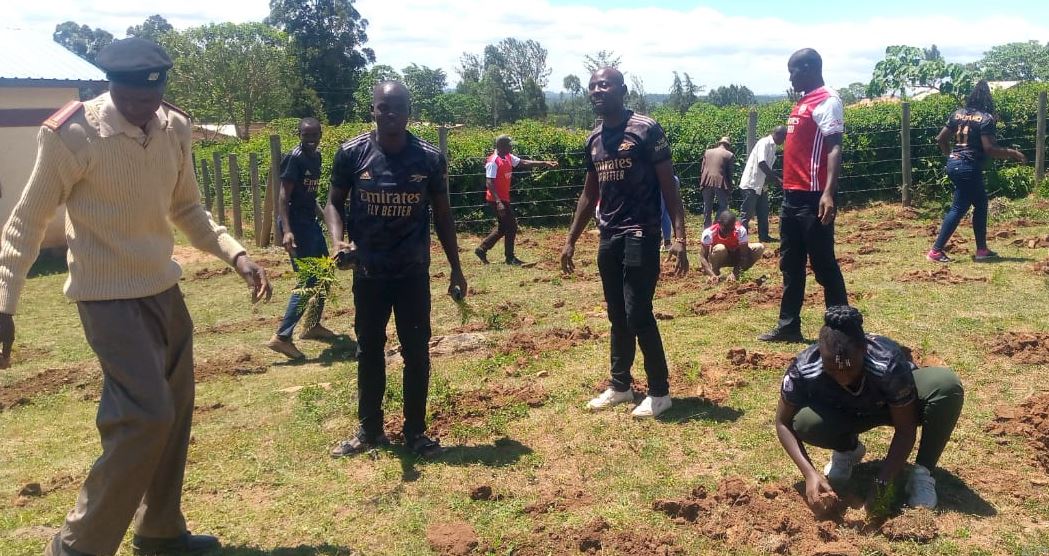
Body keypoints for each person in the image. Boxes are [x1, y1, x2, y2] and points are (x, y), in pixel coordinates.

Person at [0, 38, 271, 556]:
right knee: (146, 417)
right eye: (130, 99)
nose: (142, 108)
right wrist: (4, 302)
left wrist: (236, 255)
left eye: (151, 98)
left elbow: (187, 209)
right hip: (107, 300)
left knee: (176, 412)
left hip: (164, 291)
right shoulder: (72, 135)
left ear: (163, 87)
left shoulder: (175, 127)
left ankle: (161, 530)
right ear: (110, 86)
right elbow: (27, 222)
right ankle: (76, 547)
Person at [325, 81, 467, 458]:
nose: (390, 114)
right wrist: (339, 242)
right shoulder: (351, 154)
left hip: (411, 273)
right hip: (369, 274)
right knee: (369, 350)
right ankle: (369, 430)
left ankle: (416, 432)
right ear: (372, 110)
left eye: (398, 107)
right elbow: (334, 203)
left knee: (416, 352)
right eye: (383, 107)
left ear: (409, 112)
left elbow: (443, 215)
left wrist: (456, 268)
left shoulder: (429, 159)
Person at [561, 67, 689, 419]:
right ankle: (620, 386)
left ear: (622, 90)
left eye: (604, 85)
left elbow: (669, 186)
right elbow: (589, 194)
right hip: (609, 236)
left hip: (641, 233)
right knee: (617, 313)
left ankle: (660, 392)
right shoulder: (594, 139)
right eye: (592, 86)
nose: (596, 91)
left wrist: (679, 237)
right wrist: (570, 240)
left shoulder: (646, 129)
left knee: (638, 311)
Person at [774, 306, 964, 513]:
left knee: (945, 386)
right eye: (833, 370)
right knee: (805, 422)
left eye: (851, 369)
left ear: (864, 350)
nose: (843, 377)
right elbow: (782, 423)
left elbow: (905, 429)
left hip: (891, 406)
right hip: (843, 411)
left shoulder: (887, 362)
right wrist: (810, 473)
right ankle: (848, 449)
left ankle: (922, 474)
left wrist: (883, 481)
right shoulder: (803, 368)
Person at [760, 49, 848, 343]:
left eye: (793, 71)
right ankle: (789, 326)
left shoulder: (827, 100)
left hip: (813, 198)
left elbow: (834, 147)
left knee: (823, 265)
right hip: (792, 197)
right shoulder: (802, 102)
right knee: (791, 264)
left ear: (809, 68)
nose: (790, 78)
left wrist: (828, 193)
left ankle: (842, 328)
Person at [928, 80, 1027, 263]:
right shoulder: (986, 118)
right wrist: (1012, 153)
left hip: (955, 164)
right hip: (968, 166)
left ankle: (982, 249)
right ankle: (936, 251)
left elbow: (941, 139)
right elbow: (989, 149)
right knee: (959, 207)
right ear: (987, 99)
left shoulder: (957, 114)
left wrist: (950, 156)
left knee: (979, 203)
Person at [267, 117, 336, 359]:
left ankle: (312, 325)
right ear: (299, 135)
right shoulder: (294, 158)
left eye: (314, 134)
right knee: (309, 279)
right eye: (306, 135)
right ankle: (282, 337)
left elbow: (310, 196)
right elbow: (283, 197)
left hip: (310, 223)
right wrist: (287, 231)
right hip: (295, 225)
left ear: (321, 135)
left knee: (326, 271)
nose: (310, 139)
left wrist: (327, 221)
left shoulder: (316, 158)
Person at [475, 135, 559, 266]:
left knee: (503, 227)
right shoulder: (493, 161)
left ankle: (482, 249)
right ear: (502, 146)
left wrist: (545, 163)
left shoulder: (508, 156)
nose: (511, 147)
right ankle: (510, 258)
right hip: (496, 199)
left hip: (503, 198)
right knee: (512, 226)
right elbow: (489, 182)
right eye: (509, 145)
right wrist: (498, 202)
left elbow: (523, 162)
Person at [739, 126, 788, 242]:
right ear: (779, 135)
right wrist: (776, 179)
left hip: (761, 185)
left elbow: (768, 168)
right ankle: (741, 238)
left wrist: (780, 177)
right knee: (747, 214)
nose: (784, 141)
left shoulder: (773, 146)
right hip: (752, 184)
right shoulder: (764, 143)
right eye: (784, 138)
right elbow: (762, 163)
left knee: (763, 212)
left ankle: (764, 237)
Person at [699, 210, 765, 283]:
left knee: (759, 247)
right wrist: (711, 275)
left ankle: (739, 271)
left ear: (734, 224)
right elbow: (703, 256)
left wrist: (735, 273)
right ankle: (715, 274)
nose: (728, 232)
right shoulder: (709, 233)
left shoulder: (740, 230)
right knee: (720, 248)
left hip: (736, 256)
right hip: (719, 258)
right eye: (725, 229)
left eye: (731, 229)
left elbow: (744, 255)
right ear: (719, 223)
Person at [699, 136, 735, 228]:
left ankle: (707, 228)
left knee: (707, 206)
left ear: (719, 143)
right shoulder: (729, 155)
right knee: (723, 206)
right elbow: (730, 173)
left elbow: (702, 169)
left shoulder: (707, 152)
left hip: (706, 180)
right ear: (728, 146)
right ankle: (715, 225)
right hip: (720, 182)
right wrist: (730, 187)